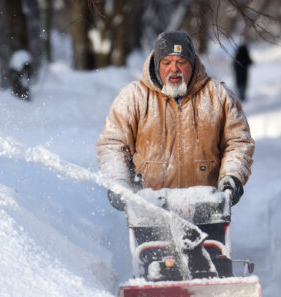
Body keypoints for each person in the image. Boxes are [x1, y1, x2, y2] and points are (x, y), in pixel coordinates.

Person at [95, 30, 254, 210]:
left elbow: (238, 142)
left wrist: (232, 177)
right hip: (150, 209)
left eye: (181, 62)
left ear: (192, 63)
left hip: (207, 207)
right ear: (157, 64)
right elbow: (112, 144)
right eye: (167, 62)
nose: (174, 69)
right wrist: (119, 181)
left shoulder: (218, 96)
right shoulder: (132, 98)